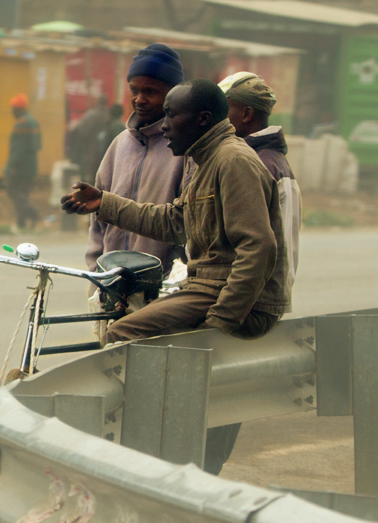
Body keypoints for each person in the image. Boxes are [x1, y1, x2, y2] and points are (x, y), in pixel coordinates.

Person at [62, 79, 293, 475]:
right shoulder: (207, 161)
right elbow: (173, 220)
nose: (163, 124)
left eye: (171, 114)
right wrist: (106, 203)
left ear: (202, 119)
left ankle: (148, 444)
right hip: (206, 288)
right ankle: (163, 440)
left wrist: (220, 323)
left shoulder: (232, 161)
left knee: (124, 335)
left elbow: (259, 247)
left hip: (230, 296)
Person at [86, 44, 187, 278]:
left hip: (162, 291)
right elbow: (97, 223)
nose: (139, 99)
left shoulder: (185, 151)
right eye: (134, 90)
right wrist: (96, 274)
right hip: (110, 284)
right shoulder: (119, 145)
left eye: (150, 92)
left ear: (172, 95)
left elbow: (186, 226)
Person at [219, 72, 301, 287]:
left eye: (223, 111)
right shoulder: (239, 158)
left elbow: (281, 251)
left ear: (246, 114)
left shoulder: (266, 165)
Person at [5, 93, 42, 230]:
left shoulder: (21, 124)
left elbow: (18, 150)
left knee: (13, 191)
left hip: (20, 167)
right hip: (32, 165)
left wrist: (10, 167)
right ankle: (21, 222)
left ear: (18, 109)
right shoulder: (33, 121)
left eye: (13, 108)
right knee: (24, 193)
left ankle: (33, 213)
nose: (12, 111)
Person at [70, 93, 110, 181]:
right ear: (107, 102)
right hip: (106, 151)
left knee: (89, 176)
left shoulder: (91, 115)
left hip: (90, 150)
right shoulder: (109, 115)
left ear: (97, 102)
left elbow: (81, 131)